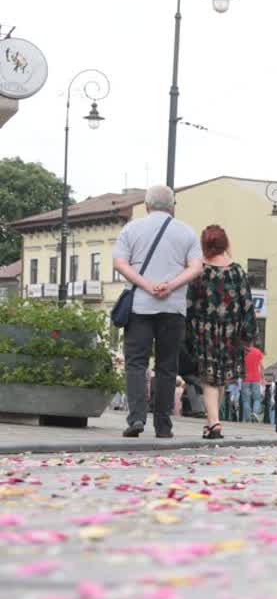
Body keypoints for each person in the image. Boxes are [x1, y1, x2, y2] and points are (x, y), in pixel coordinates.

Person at [111, 185, 203, 439]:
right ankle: (163, 425)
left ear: (146, 205)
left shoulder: (131, 229)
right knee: (166, 366)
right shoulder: (186, 231)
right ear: (172, 206)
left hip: (140, 306)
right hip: (173, 308)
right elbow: (196, 267)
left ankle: (137, 418)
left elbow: (120, 263)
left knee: (136, 364)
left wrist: (146, 285)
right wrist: (170, 285)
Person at [182, 224, 256, 442]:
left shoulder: (200, 271)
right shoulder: (237, 271)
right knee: (219, 380)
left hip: (205, 331)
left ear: (204, 245)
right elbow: (247, 304)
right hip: (231, 333)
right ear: (226, 243)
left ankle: (214, 422)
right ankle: (211, 422)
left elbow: (189, 303)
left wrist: (186, 331)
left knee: (210, 379)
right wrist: (249, 335)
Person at [240, 342, 264, 422]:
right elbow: (261, 366)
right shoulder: (258, 352)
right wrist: (262, 378)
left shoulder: (243, 352)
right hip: (256, 378)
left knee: (246, 400)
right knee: (257, 398)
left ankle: (248, 418)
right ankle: (255, 413)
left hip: (245, 378)